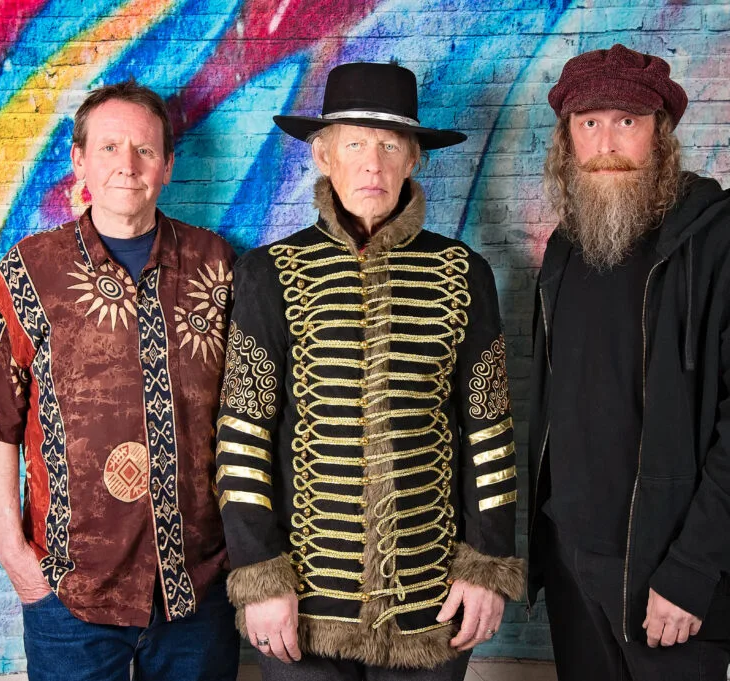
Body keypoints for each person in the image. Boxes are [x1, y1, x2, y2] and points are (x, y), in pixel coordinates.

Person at [214, 61, 524, 681]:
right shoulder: (268, 274)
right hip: (301, 604)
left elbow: (489, 431)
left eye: (389, 145)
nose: (372, 165)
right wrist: (261, 576)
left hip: (433, 599)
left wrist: (487, 567)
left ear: (414, 159)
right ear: (323, 155)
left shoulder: (465, 274)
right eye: (355, 144)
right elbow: (243, 435)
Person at [0, 80, 238, 681]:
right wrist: (12, 550)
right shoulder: (31, 271)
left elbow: (254, 412)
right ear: (79, 160)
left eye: (145, 150)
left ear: (168, 166)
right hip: (68, 594)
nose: (127, 165)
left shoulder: (218, 265)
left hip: (198, 589)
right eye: (108, 147)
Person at [526, 44, 730, 681]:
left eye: (628, 121)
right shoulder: (564, 250)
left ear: (661, 133)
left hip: (668, 574)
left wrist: (692, 570)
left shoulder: (729, 245)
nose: (607, 144)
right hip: (572, 566)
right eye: (589, 123)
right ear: (567, 139)